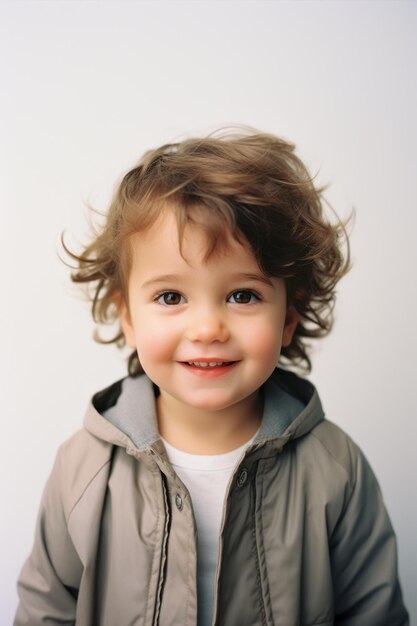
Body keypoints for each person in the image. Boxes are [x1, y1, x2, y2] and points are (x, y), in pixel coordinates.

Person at [15, 129, 409, 626]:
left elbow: (375, 614)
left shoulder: (336, 469)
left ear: (288, 317)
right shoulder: (84, 467)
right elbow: (45, 611)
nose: (206, 329)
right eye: (171, 297)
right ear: (128, 318)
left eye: (243, 295)